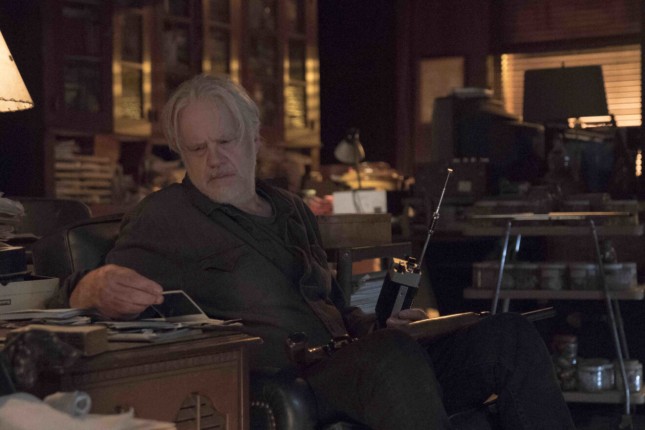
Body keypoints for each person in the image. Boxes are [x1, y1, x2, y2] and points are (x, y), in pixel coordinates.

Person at [56, 74, 575, 430]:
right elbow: (80, 291)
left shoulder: (290, 208)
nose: (214, 160)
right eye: (197, 149)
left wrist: (380, 324)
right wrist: (90, 287)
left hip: (354, 357)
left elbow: (331, 304)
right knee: (391, 360)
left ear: (254, 138)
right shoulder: (168, 216)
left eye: (225, 142)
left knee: (508, 335)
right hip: (290, 377)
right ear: (181, 154)